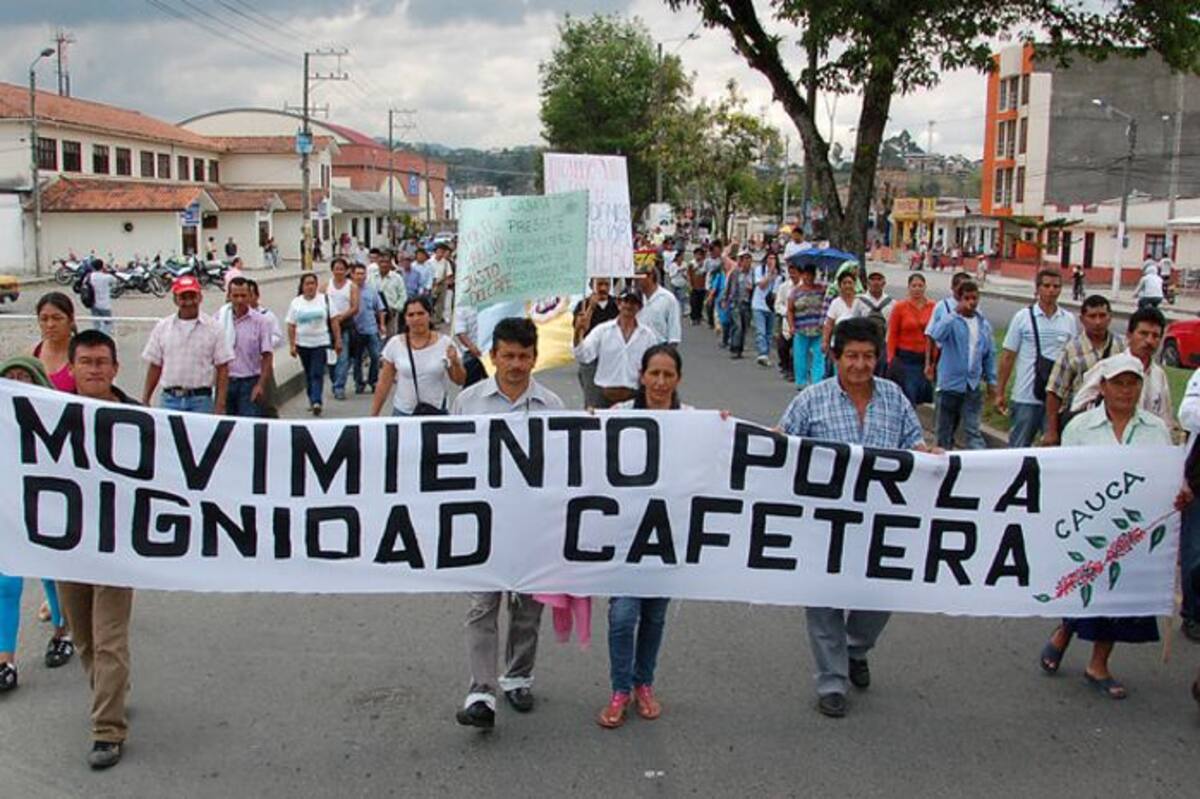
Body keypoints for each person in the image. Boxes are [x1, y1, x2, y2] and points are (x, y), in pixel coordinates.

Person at [776, 317, 937, 718]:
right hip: (823, 523)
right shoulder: (812, 399)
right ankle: (832, 680)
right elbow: (779, 443)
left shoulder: (895, 398)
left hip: (880, 522)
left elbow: (913, 444)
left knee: (879, 597)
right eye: (852, 356)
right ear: (835, 357)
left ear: (878, 358)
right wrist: (732, 436)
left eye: (868, 356)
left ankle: (855, 648)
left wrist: (927, 454)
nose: (860, 365)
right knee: (823, 601)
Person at [1038, 352, 1185, 700]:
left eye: (1132, 383)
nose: (1125, 390)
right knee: (1081, 588)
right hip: (1087, 527)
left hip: (1132, 533)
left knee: (1118, 596)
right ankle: (1064, 631)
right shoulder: (1079, 428)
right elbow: (1065, 478)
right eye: (1117, 383)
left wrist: (1177, 495)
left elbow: (1164, 479)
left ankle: (1098, 663)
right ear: (1102, 387)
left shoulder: (1156, 430)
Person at [452, 318, 565, 730]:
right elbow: (447, 458)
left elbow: (564, 468)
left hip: (533, 526)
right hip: (483, 524)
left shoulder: (553, 407)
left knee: (527, 609)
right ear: (493, 356)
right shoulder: (468, 402)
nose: (515, 364)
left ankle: (517, 677)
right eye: (508, 355)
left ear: (535, 358)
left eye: (523, 356)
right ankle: (481, 691)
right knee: (482, 606)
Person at [57, 329, 139, 769]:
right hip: (66, 547)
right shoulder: (50, 416)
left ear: (114, 368)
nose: (94, 369)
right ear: (72, 368)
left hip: (116, 548)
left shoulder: (137, 419)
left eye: (101, 362)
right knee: (84, 637)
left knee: (109, 638)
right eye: (85, 362)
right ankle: (110, 692)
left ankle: (107, 729)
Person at [597, 344, 688, 729]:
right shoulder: (618, 416)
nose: (661, 382)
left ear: (678, 379)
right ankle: (621, 688)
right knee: (622, 616)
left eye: (669, 375)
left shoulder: (690, 420)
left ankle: (643, 683)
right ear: (642, 375)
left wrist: (723, 426)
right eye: (654, 373)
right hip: (625, 534)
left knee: (653, 616)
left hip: (667, 536)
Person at [0, 356, 75, 697]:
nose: (17, 382)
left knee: (51, 575)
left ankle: (62, 632)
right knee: (7, 585)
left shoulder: (57, 418)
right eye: (10, 377)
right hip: (9, 516)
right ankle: (6, 661)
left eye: (23, 377)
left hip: (46, 512)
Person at [995, 269, 1078, 447]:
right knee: (1019, 447)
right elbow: (1008, 356)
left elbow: (1073, 360)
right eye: (1046, 285)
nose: (1051, 290)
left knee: (1053, 450)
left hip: (1056, 398)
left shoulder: (1068, 320)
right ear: (1038, 288)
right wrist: (1000, 392)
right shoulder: (1022, 318)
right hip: (1026, 396)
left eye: (1056, 286)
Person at [1066, 307, 1177, 436]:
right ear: (1129, 336)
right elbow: (1078, 406)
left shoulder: (1159, 375)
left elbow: (1165, 417)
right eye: (1143, 333)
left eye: (1155, 336)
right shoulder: (1107, 367)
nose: (1149, 341)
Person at [1041, 295, 1125, 447]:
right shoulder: (1072, 349)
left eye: (1102, 316)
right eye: (1092, 316)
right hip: (1080, 422)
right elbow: (1054, 391)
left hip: (1114, 425)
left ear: (1110, 318)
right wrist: (1051, 430)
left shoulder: (1121, 346)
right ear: (1082, 319)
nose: (1097, 322)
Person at [141, 275, 233, 413]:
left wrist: (220, 404)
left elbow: (223, 368)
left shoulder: (214, 328)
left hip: (201, 402)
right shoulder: (162, 327)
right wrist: (145, 398)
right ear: (175, 300)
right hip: (170, 401)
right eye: (183, 297)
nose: (189, 302)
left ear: (200, 297)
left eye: (192, 296)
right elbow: (155, 365)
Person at [926, 280, 997, 449]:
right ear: (959, 299)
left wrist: (991, 380)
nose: (971, 302)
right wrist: (954, 314)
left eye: (974, 298)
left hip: (971, 384)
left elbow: (988, 353)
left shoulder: (983, 324)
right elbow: (936, 334)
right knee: (944, 430)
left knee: (972, 429)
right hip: (950, 384)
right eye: (967, 298)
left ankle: (978, 461)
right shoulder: (952, 321)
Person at [370, 297, 464, 417]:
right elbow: (384, 383)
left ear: (429, 315)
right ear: (405, 318)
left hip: (436, 413)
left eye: (421, 313)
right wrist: (374, 415)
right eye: (411, 315)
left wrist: (455, 362)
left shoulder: (445, 343)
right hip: (403, 413)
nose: (416, 319)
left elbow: (460, 380)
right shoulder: (395, 344)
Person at [574, 289, 659, 408]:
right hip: (603, 399)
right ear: (619, 303)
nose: (629, 306)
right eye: (626, 301)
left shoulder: (648, 336)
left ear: (639, 307)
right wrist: (578, 332)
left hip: (634, 398)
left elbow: (654, 365)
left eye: (633, 303)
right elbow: (583, 356)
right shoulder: (602, 330)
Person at [223, 277, 274, 418]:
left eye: (243, 296)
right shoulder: (220, 320)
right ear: (229, 296)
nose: (239, 300)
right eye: (235, 296)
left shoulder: (261, 322)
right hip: (226, 382)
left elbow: (267, 355)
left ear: (250, 296)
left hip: (250, 382)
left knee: (248, 425)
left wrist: (261, 385)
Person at [286, 273, 336, 416]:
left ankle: (316, 401)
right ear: (302, 286)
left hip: (320, 342)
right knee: (308, 373)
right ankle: (311, 397)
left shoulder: (324, 300)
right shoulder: (296, 303)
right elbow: (291, 325)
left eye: (312, 283)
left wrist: (337, 340)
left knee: (316, 372)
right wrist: (292, 345)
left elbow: (334, 321)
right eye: (307, 284)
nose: (310, 286)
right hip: (303, 343)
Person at [886, 273, 934, 406]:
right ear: (908, 288)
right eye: (914, 286)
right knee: (908, 394)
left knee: (920, 395)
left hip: (924, 359)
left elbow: (935, 335)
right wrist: (891, 359)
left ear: (925, 287)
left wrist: (933, 361)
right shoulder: (900, 308)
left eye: (920, 285)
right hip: (905, 359)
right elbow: (892, 335)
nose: (917, 289)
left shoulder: (933, 307)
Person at [572, 278, 620, 408]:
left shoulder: (617, 305)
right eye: (600, 284)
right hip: (591, 360)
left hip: (612, 359)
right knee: (592, 401)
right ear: (592, 286)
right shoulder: (582, 305)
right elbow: (581, 329)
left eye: (606, 284)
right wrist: (591, 308)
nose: (603, 288)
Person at [324, 257, 360, 401]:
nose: (338, 271)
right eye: (336, 268)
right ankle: (335, 380)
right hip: (328, 326)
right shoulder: (326, 286)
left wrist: (340, 317)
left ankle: (339, 387)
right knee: (330, 359)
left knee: (343, 357)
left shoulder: (352, 286)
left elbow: (355, 307)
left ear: (346, 271)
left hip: (345, 326)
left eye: (341, 269)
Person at [788, 260, 825, 390]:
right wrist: (791, 326)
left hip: (818, 328)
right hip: (801, 328)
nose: (808, 277)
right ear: (802, 275)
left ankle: (817, 381)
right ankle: (801, 382)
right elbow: (790, 310)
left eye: (811, 275)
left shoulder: (821, 290)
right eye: (806, 275)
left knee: (819, 356)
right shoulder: (795, 292)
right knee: (800, 357)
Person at [349, 263, 386, 394]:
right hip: (355, 330)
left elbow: (380, 309)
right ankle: (359, 382)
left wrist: (382, 325)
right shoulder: (348, 290)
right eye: (357, 273)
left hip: (371, 328)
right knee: (357, 359)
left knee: (376, 356)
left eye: (362, 273)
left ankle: (373, 380)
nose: (360, 276)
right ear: (352, 274)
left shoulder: (372, 290)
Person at [850, 270, 894, 374]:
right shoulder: (859, 301)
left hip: (883, 344)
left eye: (879, 279)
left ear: (884, 283)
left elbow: (892, 327)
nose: (876, 282)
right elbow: (853, 322)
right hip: (863, 342)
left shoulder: (892, 303)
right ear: (867, 283)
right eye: (872, 279)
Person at [34, 291, 77, 392]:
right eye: (44, 319)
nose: (50, 325)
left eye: (57, 318)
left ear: (71, 319)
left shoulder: (83, 354)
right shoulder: (32, 354)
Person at [637, 261, 682, 345]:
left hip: (659, 345)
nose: (637, 280)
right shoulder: (635, 298)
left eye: (640, 277)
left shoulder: (667, 298)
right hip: (638, 346)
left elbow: (674, 327)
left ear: (650, 276)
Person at [822, 270, 859, 370]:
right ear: (839, 286)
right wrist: (825, 342)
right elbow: (828, 324)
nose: (847, 286)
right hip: (839, 345)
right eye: (844, 283)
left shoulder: (860, 302)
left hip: (857, 345)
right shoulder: (835, 303)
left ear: (854, 285)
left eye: (850, 283)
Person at [750, 251, 781, 367]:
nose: (771, 261)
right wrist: (770, 275)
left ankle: (766, 355)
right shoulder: (759, 270)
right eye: (769, 258)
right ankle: (762, 353)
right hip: (758, 305)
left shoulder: (779, 275)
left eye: (774, 258)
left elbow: (775, 293)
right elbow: (761, 285)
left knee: (769, 332)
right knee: (760, 331)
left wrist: (775, 276)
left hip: (771, 307)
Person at [723, 250, 755, 359]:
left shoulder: (753, 273)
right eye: (745, 260)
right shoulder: (735, 273)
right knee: (738, 326)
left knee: (745, 327)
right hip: (735, 302)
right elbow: (728, 287)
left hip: (747, 303)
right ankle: (734, 348)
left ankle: (740, 348)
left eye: (749, 260)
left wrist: (752, 289)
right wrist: (725, 299)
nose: (747, 263)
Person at [370, 251, 408, 340]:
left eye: (386, 262)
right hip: (374, 315)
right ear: (377, 263)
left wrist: (395, 308)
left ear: (391, 263)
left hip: (392, 314)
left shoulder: (397, 278)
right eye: (381, 262)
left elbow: (403, 296)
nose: (384, 265)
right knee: (375, 340)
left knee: (391, 339)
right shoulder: (371, 277)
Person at [774, 259, 798, 380]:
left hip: (800, 322)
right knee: (783, 347)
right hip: (786, 322)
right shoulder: (784, 287)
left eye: (795, 272)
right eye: (791, 272)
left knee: (796, 349)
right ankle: (785, 366)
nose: (793, 275)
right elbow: (778, 304)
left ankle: (793, 371)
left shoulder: (803, 287)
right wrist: (787, 312)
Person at [86, 263, 117, 334]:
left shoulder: (89, 276)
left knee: (96, 323)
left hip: (93, 303)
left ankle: (97, 338)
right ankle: (103, 337)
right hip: (105, 305)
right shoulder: (107, 277)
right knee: (108, 323)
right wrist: (106, 271)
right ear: (102, 267)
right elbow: (115, 281)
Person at [687, 247, 708, 326]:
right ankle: (693, 318)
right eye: (697, 254)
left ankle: (699, 317)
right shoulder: (691, 264)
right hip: (694, 286)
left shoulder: (705, 264)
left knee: (700, 302)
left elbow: (706, 274)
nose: (698, 256)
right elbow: (689, 274)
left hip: (702, 286)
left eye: (700, 254)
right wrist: (690, 284)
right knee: (693, 302)